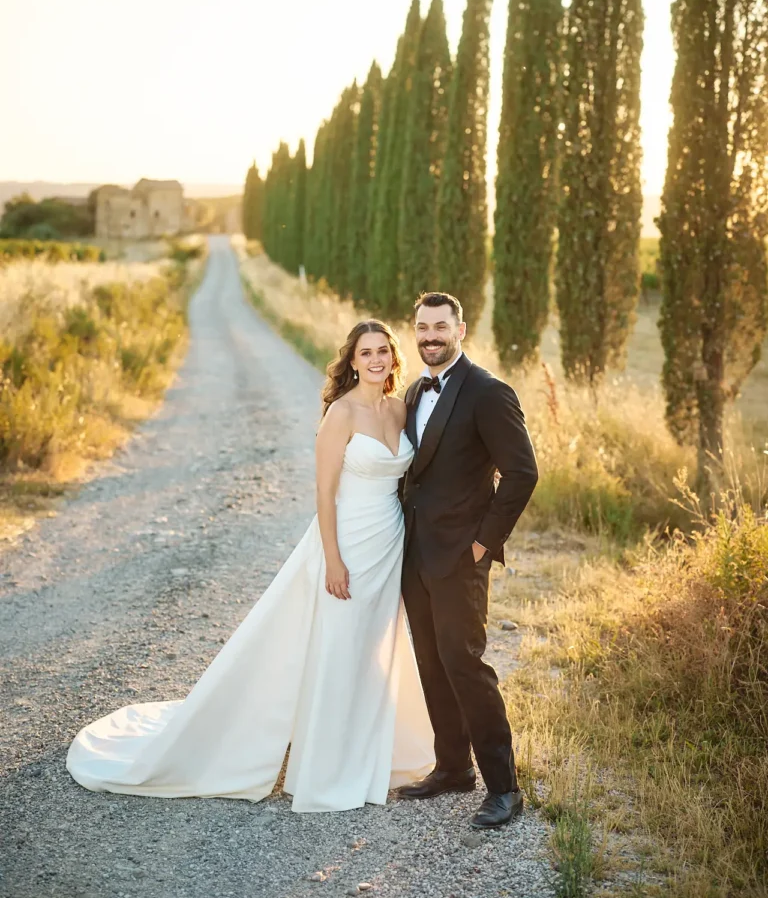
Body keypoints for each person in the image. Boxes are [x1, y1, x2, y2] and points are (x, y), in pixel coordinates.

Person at [67, 320, 434, 813]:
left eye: (383, 351)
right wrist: (333, 559)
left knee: (375, 648)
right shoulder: (341, 415)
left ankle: (371, 754)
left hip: (389, 542)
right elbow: (324, 494)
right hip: (347, 541)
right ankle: (327, 771)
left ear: (393, 358)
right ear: (351, 361)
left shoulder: (400, 408)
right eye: (365, 352)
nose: (375, 360)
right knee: (338, 647)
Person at [398, 291, 538, 829]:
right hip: (415, 556)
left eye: (440, 326)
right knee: (432, 664)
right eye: (422, 327)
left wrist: (482, 546)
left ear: (461, 330)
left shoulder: (488, 391)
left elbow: (522, 474)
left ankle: (505, 787)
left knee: (467, 665)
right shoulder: (413, 390)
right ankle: (453, 768)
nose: (430, 336)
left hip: (461, 558)